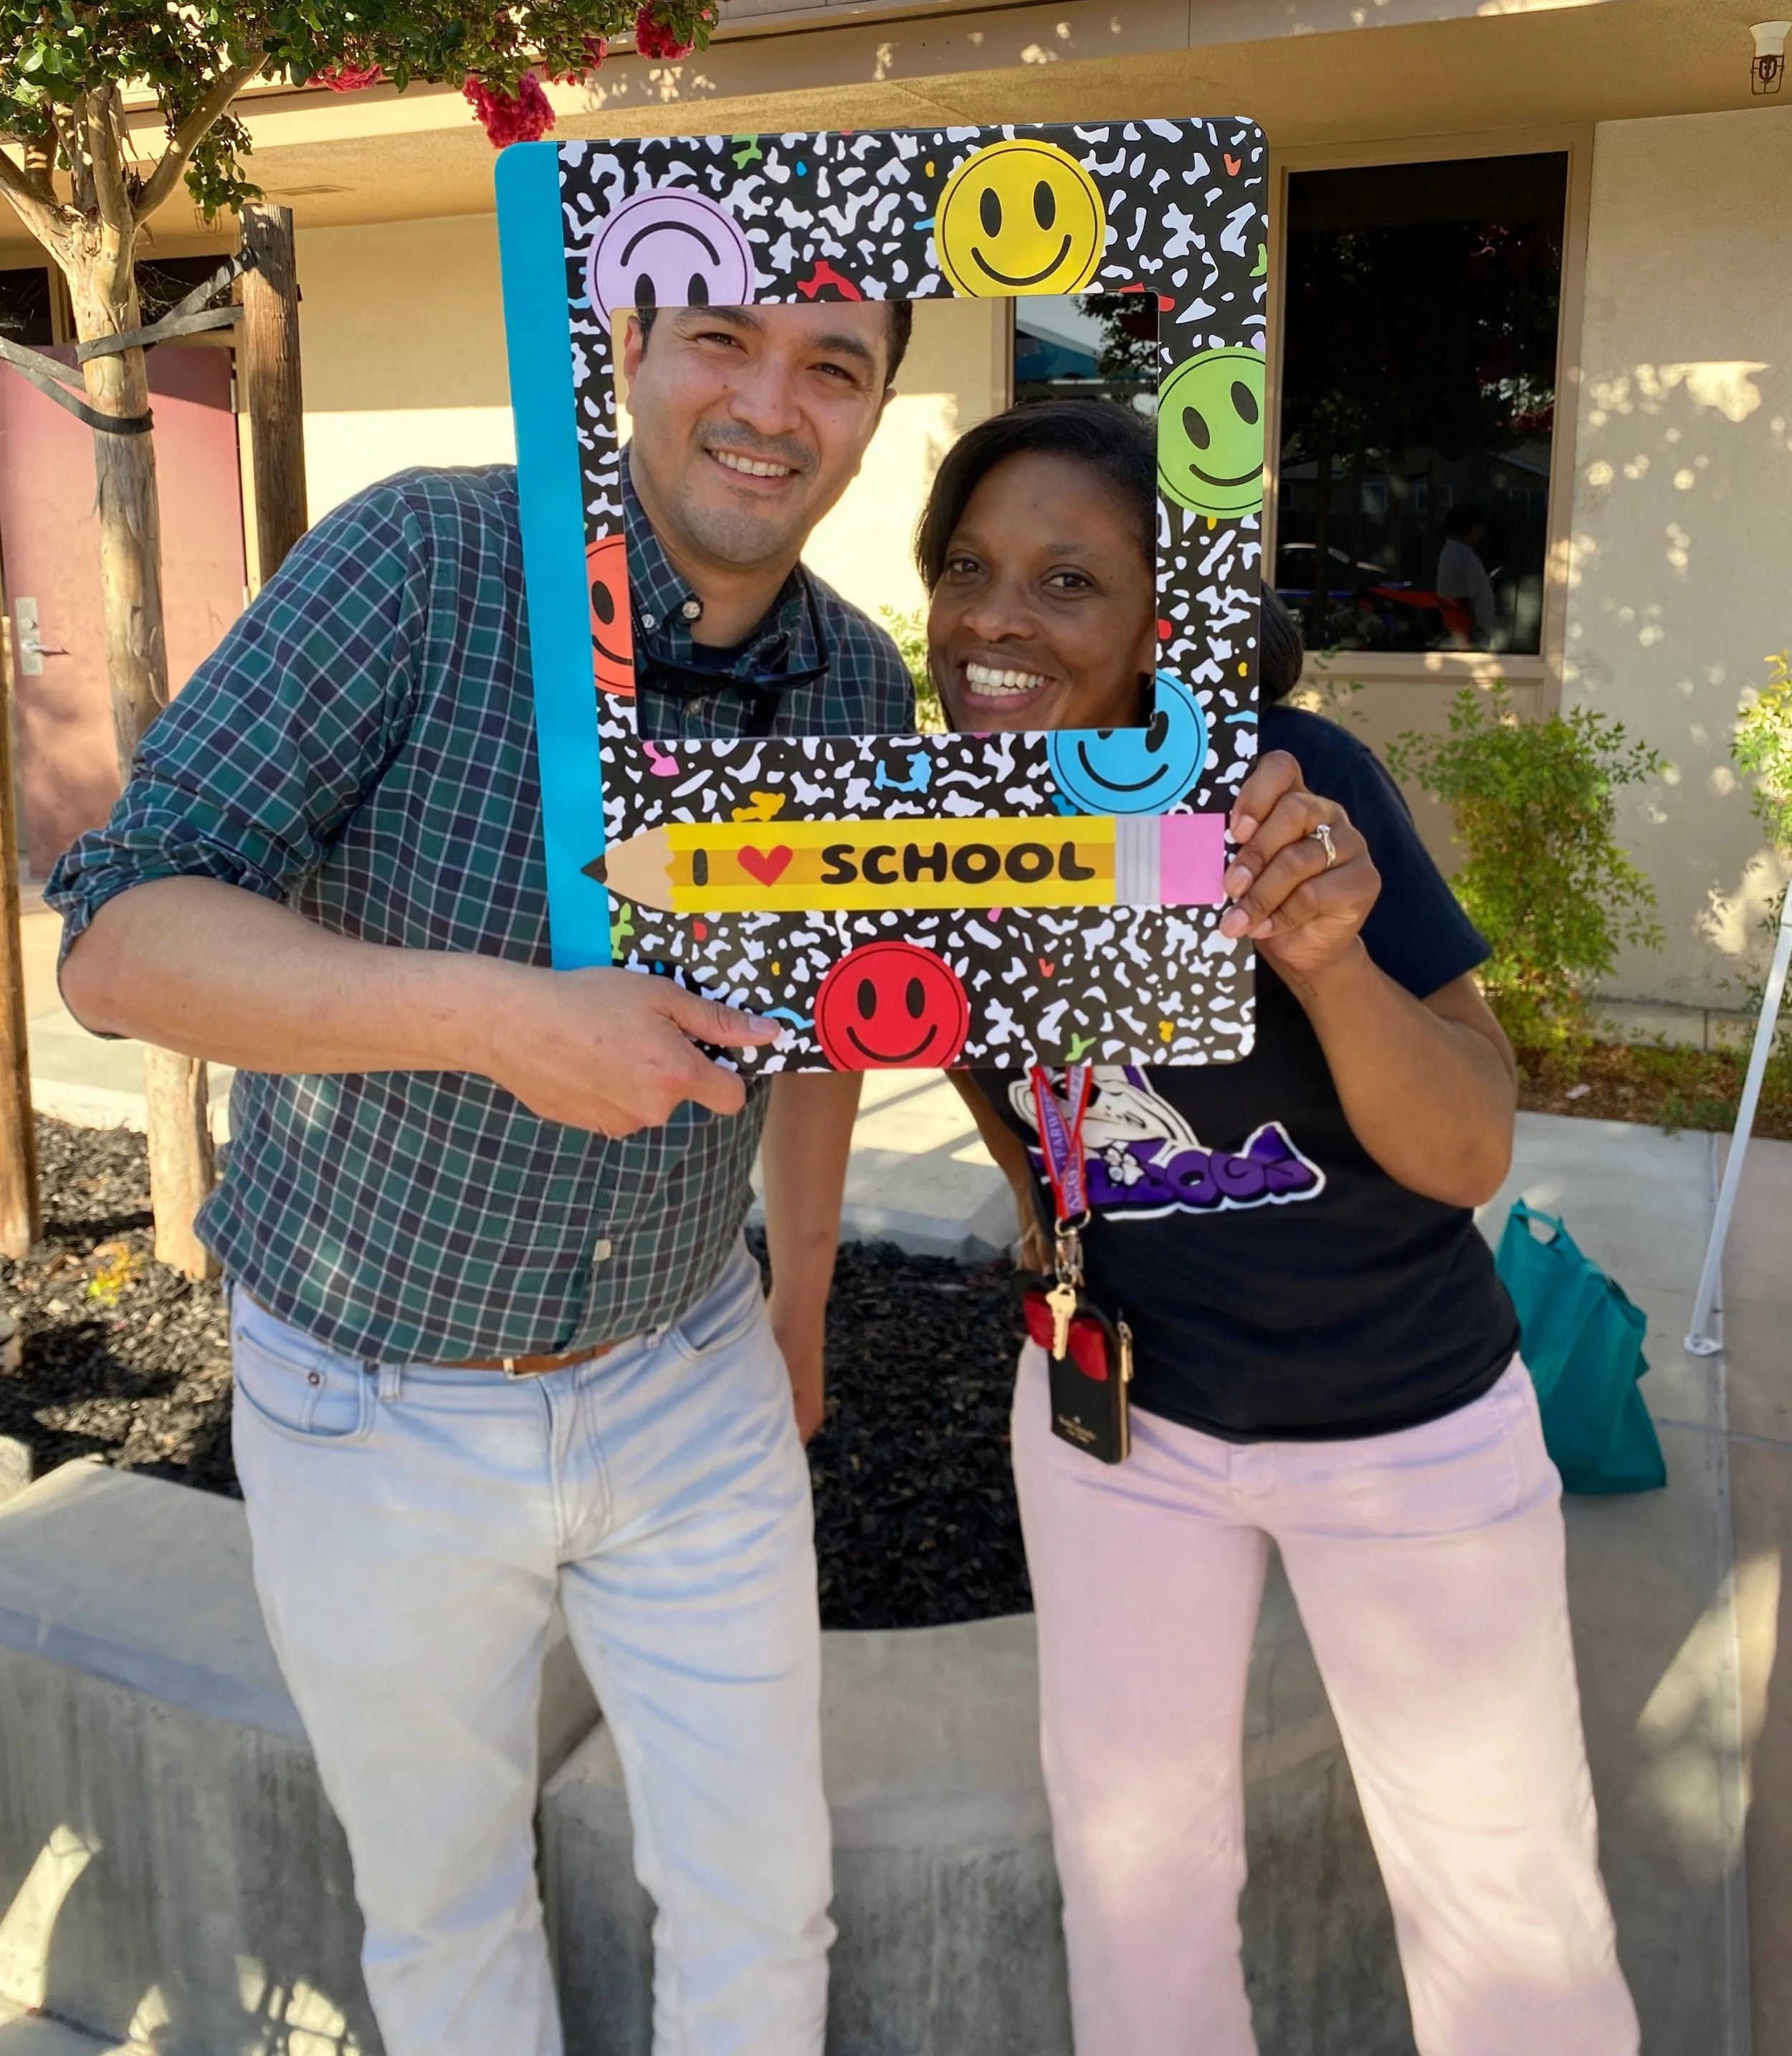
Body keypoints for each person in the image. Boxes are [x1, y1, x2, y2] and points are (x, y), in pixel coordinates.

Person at [45, 297, 917, 2056]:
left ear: (879, 407)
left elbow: (823, 1033)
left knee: (763, 1897)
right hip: (373, 1398)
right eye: (725, 342)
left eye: (833, 366)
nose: (770, 404)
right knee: (442, 1912)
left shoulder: (852, 682)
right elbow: (122, 940)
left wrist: (801, 1306)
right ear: (632, 350)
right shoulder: (433, 558)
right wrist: (494, 1017)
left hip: (692, 1379)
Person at [919, 400, 1638, 2056]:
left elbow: (1467, 1143)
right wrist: (1051, 1225)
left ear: (1167, 623)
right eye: (969, 566)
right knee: (1134, 1886)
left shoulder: (1296, 790)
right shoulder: (944, 820)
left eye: (1067, 579)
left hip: (1409, 1432)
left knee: (1504, 1902)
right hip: (1121, 1435)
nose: (993, 618)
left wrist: (1324, 961)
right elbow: (963, 1045)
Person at [1435, 501, 1497, 645]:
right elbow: (1461, 598)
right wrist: (1474, 631)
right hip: (1470, 636)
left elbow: (1467, 588)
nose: (1482, 533)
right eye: (1480, 527)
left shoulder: (1462, 552)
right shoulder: (1458, 556)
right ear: (1472, 527)